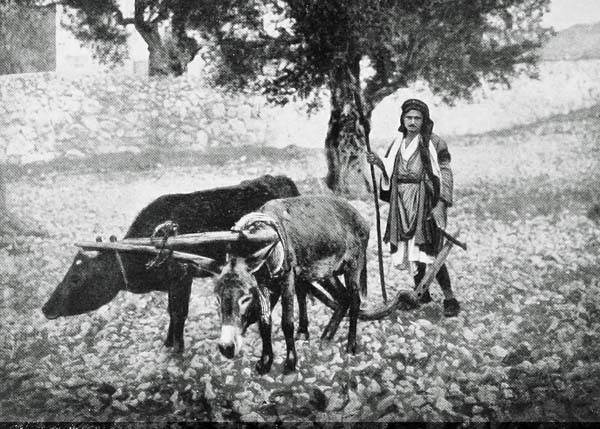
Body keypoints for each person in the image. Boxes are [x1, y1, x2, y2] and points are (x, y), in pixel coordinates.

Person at [366, 98, 460, 317]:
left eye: (417, 118)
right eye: (408, 117)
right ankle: (422, 294)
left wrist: (441, 203)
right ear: (402, 119)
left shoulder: (434, 143)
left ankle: (449, 297)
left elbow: (445, 172)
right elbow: (392, 169)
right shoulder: (397, 142)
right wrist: (379, 163)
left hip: (425, 200)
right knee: (411, 249)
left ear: (424, 120)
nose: (412, 122)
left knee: (430, 250)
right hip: (402, 201)